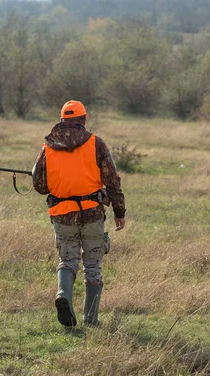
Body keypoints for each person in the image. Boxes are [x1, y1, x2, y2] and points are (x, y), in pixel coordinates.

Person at [32, 100, 126, 327]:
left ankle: (63, 294)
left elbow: (40, 185)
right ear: (84, 120)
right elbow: (112, 180)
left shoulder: (47, 147)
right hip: (93, 213)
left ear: (62, 120)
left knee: (67, 260)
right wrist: (119, 211)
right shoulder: (96, 144)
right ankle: (91, 320)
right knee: (93, 265)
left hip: (62, 214)